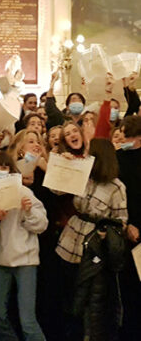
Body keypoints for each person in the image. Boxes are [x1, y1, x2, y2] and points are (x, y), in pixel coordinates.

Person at [56, 138, 128, 340]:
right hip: (70, 238)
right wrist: (65, 165)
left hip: (94, 246)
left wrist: (106, 234)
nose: (85, 155)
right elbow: (56, 188)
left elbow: (121, 220)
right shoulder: (82, 175)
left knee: (88, 299)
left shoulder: (116, 187)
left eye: (89, 152)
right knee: (66, 292)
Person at [0, 152, 48, 341]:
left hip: (26, 260)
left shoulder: (24, 192)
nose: (0, 171)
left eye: (4, 168)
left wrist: (26, 212)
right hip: (1, 260)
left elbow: (42, 225)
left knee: (27, 320)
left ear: (11, 171)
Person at [116, 115, 141, 340]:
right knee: (131, 288)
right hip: (128, 229)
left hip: (132, 228)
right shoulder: (119, 158)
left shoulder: (120, 158)